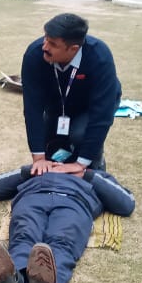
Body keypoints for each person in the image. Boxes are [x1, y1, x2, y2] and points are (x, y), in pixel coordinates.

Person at [0, 164, 135, 283]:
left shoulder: (94, 174)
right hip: (32, 198)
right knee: (24, 236)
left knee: (63, 242)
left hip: (75, 202)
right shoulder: (39, 167)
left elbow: (126, 204)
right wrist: (29, 171)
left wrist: (88, 175)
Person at [21, 13, 121, 174]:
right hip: (58, 101)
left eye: (52, 44)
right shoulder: (34, 55)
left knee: (80, 134)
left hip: (91, 104)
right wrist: (39, 158)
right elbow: (32, 108)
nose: (44, 47)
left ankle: (95, 164)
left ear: (73, 49)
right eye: (45, 38)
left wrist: (81, 164)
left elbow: (102, 114)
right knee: (50, 139)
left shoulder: (99, 57)